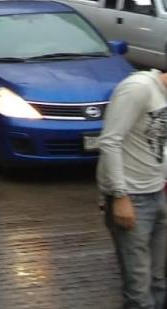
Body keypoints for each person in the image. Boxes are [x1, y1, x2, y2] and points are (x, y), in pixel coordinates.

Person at [98, 69, 167, 309]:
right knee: (138, 289)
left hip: (157, 193)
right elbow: (109, 141)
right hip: (133, 198)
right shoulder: (138, 88)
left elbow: (159, 145)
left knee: (158, 282)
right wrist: (119, 195)